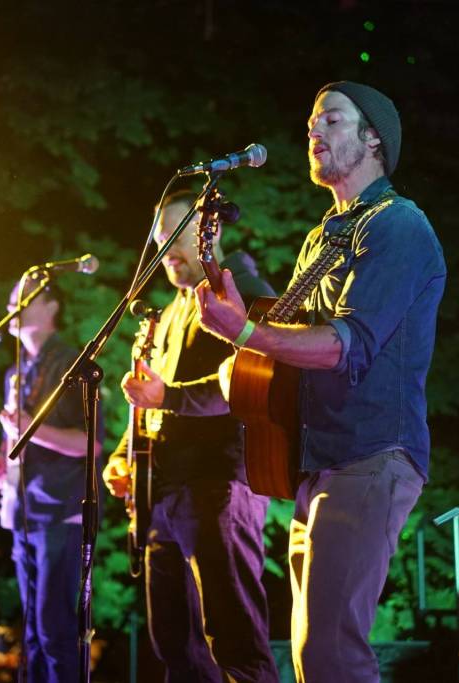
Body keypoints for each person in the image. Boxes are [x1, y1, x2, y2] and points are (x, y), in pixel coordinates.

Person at [195, 82, 447, 683]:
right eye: (312, 122)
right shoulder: (322, 236)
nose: (314, 130)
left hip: (371, 453)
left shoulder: (398, 225)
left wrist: (246, 334)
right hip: (318, 463)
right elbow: (290, 346)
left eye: (332, 120)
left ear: (373, 139)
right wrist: (245, 356)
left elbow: (344, 345)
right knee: (312, 657)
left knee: (332, 653)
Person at [102, 190, 280, 683]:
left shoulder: (243, 288)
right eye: (159, 242)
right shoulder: (169, 312)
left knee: (235, 642)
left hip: (219, 483)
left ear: (210, 231)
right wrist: (123, 455)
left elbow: (249, 382)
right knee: (176, 648)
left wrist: (168, 397)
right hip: (165, 492)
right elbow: (150, 400)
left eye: (174, 238)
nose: (166, 252)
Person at [0, 275, 103, 683]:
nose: (12, 308)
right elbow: (14, 435)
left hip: (61, 508)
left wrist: (30, 429)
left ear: (52, 307)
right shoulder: (16, 372)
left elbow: (91, 443)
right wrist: (1, 460)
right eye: (11, 300)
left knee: (54, 628)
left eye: (23, 299)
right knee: (32, 634)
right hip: (25, 509)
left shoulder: (73, 365)